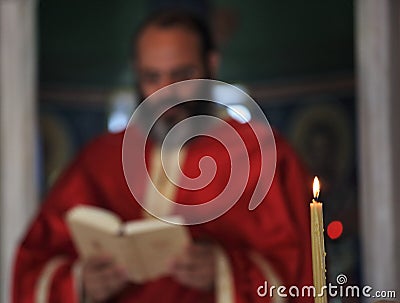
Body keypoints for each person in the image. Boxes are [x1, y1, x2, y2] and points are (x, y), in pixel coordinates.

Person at [13, 10, 313, 303]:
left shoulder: (262, 153)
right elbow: (34, 264)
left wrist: (224, 272)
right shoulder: (99, 160)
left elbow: (303, 270)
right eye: (152, 77)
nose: (167, 92)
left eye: (183, 75)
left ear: (212, 65)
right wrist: (80, 284)